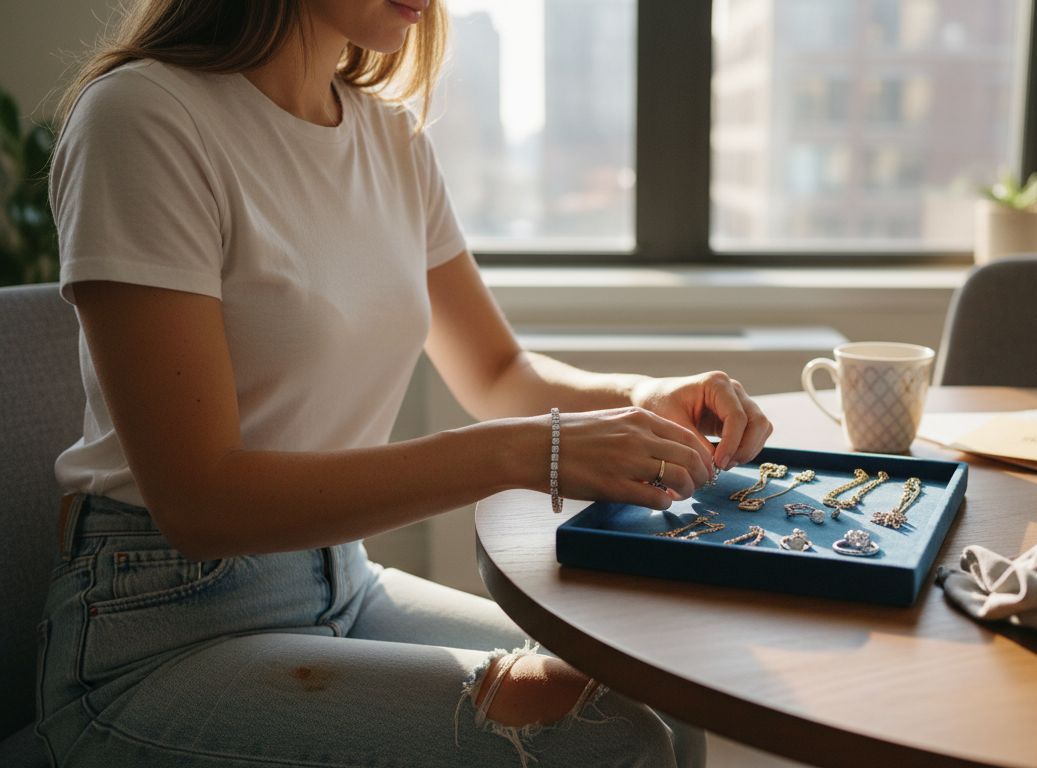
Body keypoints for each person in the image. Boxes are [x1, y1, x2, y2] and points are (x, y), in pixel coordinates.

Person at [35, 1, 772, 765]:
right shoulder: (142, 118)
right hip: (160, 631)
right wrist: (526, 453)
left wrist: (640, 396)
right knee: (606, 744)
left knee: (663, 689)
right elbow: (201, 502)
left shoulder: (389, 137)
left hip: (341, 582)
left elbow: (497, 371)